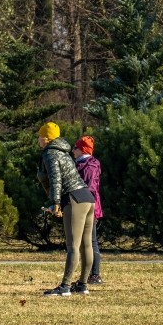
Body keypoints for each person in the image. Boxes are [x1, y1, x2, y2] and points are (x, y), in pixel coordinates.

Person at [37, 122, 94, 296]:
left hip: (74, 198)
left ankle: (65, 286)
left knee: (73, 246)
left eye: (40, 136)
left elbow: (55, 178)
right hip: (87, 198)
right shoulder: (64, 152)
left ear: (46, 139)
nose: (38, 140)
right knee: (86, 245)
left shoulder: (50, 153)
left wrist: (55, 202)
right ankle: (82, 285)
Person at [75, 135, 104, 286]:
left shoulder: (89, 165)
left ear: (81, 150)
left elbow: (90, 188)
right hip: (85, 204)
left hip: (88, 206)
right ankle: (89, 273)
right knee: (85, 241)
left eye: (75, 148)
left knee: (91, 241)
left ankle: (95, 274)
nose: (73, 151)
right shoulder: (83, 164)